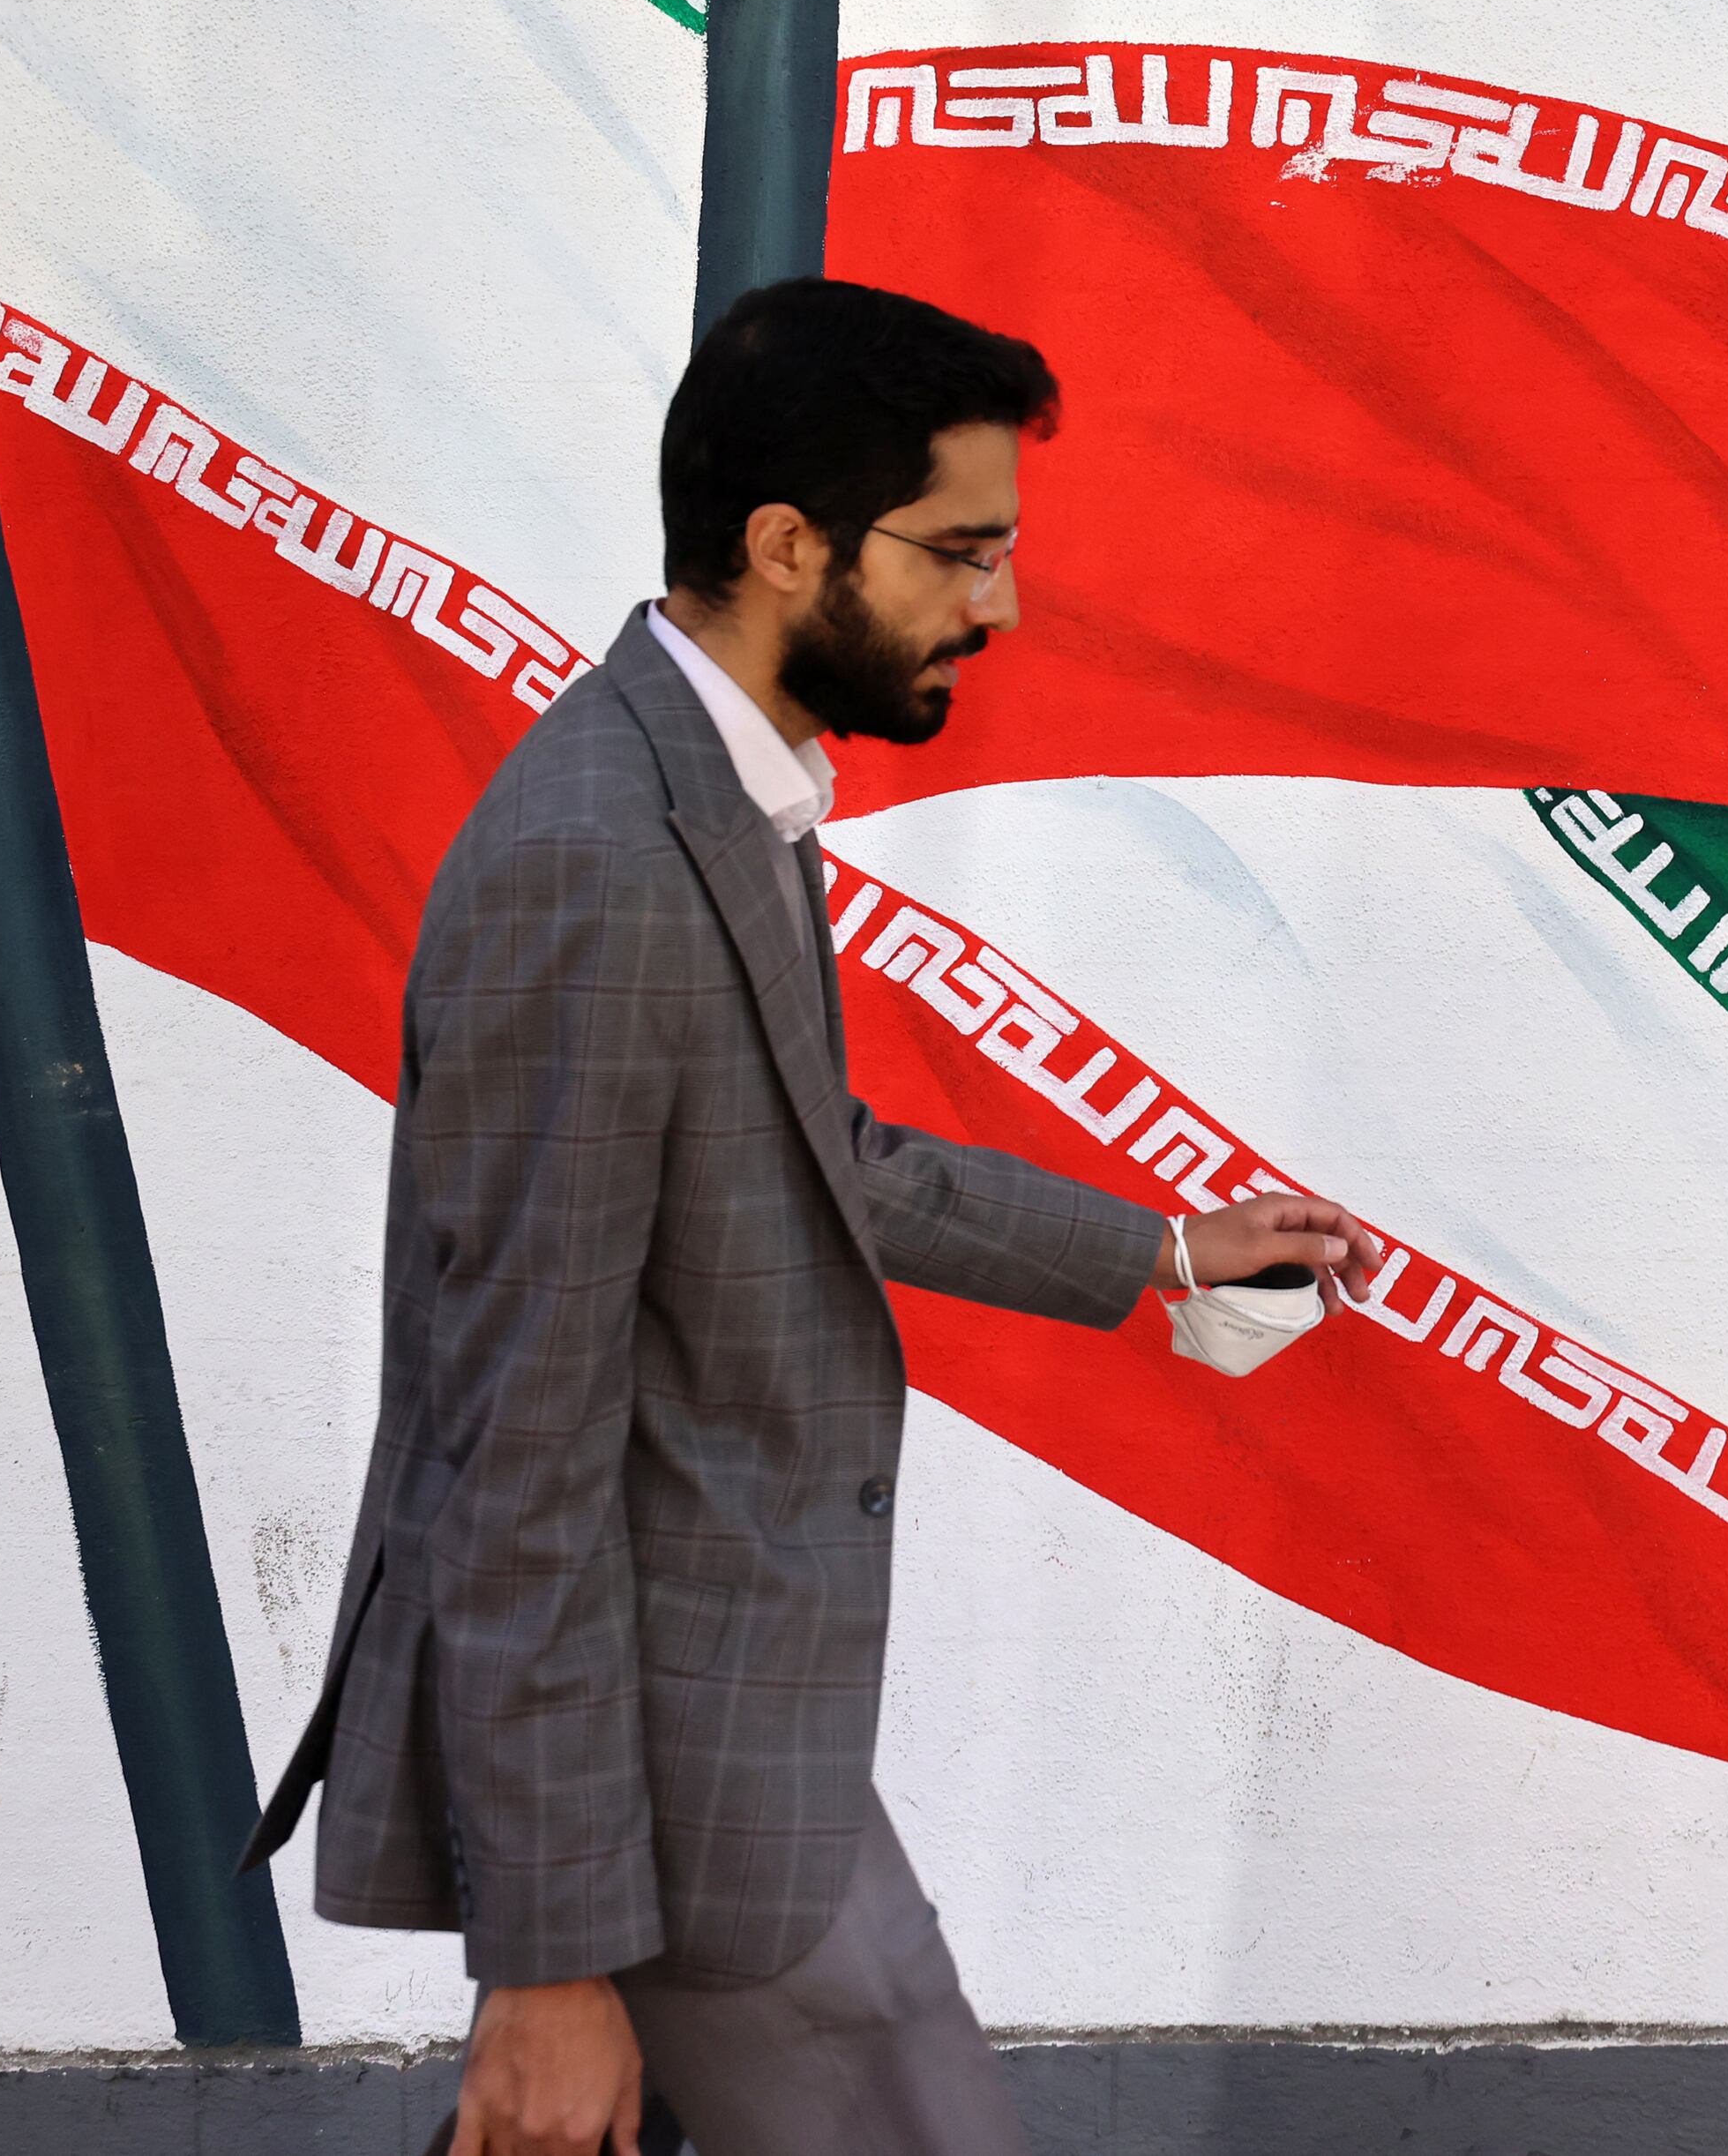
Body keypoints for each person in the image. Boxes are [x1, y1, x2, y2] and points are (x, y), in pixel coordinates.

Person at [241, 277, 1367, 2156]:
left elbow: (801, 1153)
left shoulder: (714, 792)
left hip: (719, 1716)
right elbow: (513, 1435)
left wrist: (1156, 1249)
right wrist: (549, 1963)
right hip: (655, 1775)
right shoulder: (601, 863)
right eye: (959, 551)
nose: (996, 604)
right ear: (785, 547)